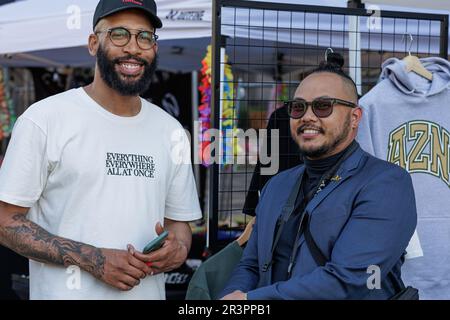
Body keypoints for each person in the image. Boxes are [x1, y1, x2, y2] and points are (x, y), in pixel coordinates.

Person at [0, 0, 201, 300]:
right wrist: (94, 260)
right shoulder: (44, 120)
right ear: (94, 43)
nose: (133, 47)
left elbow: (179, 224)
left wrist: (178, 249)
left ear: (155, 48)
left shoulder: (171, 131)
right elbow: (5, 222)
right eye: (119, 34)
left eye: (144, 36)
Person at [220, 53, 417, 300]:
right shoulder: (277, 185)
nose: (308, 116)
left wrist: (252, 301)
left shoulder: (386, 184)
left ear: (354, 117)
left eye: (323, 106)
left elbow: (351, 279)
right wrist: (231, 298)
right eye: (298, 107)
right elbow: (250, 265)